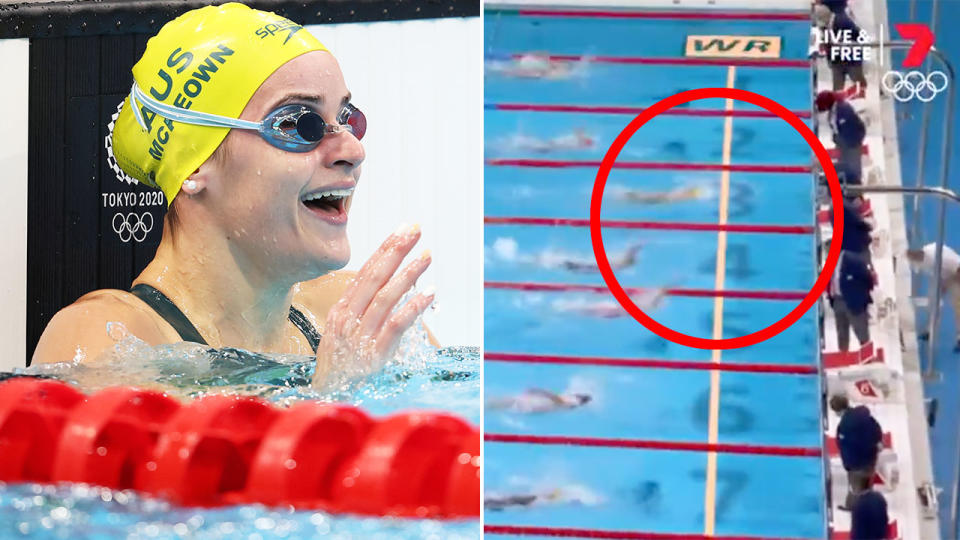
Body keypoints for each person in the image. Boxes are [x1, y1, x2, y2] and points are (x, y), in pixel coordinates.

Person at [32, 4, 436, 388]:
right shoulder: (108, 342)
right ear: (194, 165)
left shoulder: (345, 313)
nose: (352, 150)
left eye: (347, 119)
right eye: (299, 123)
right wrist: (334, 396)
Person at [830, 394, 884, 509]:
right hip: (870, 457)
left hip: (857, 462)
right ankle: (866, 506)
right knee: (866, 486)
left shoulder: (845, 426)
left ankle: (856, 509)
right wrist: (877, 442)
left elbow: (847, 447)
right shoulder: (863, 416)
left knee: (856, 489)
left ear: (838, 410)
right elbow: (876, 428)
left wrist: (848, 465)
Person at [907, 243, 960, 352]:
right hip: (939, 275)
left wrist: (950, 283)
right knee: (933, 302)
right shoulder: (919, 259)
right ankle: (930, 330)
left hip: (955, 275)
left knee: (958, 306)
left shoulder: (942, 257)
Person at [827, 247, 875, 352]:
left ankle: (868, 357)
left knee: (861, 332)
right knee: (842, 334)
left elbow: (867, 278)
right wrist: (831, 297)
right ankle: (844, 357)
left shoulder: (853, 259)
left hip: (853, 301)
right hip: (837, 300)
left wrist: (861, 296)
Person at [817, 90, 866, 186]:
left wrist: (844, 141)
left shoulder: (843, 110)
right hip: (846, 143)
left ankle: (855, 193)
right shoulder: (835, 111)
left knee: (852, 169)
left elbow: (854, 128)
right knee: (845, 166)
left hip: (852, 143)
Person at [822, 11, 868, 94]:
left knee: (843, 84)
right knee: (842, 84)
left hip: (846, 58)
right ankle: (858, 95)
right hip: (843, 59)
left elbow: (860, 35)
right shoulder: (834, 22)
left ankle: (858, 95)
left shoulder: (840, 19)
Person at [552, 287, 668, 318]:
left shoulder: (644, 306)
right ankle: (566, 307)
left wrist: (662, 291)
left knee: (583, 309)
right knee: (583, 309)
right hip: (612, 311)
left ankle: (565, 307)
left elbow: (655, 297)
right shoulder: (644, 307)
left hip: (612, 310)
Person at [486, 388, 591, 414]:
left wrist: (540, 391)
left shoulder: (571, 402)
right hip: (534, 405)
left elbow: (557, 400)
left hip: (530, 404)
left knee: (500, 403)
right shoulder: (572, 403)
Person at [617, 185, 708, 205]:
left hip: (665, 197)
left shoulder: (683, 194)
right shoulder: (684, 195)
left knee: (648, 197)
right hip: (665, 197)